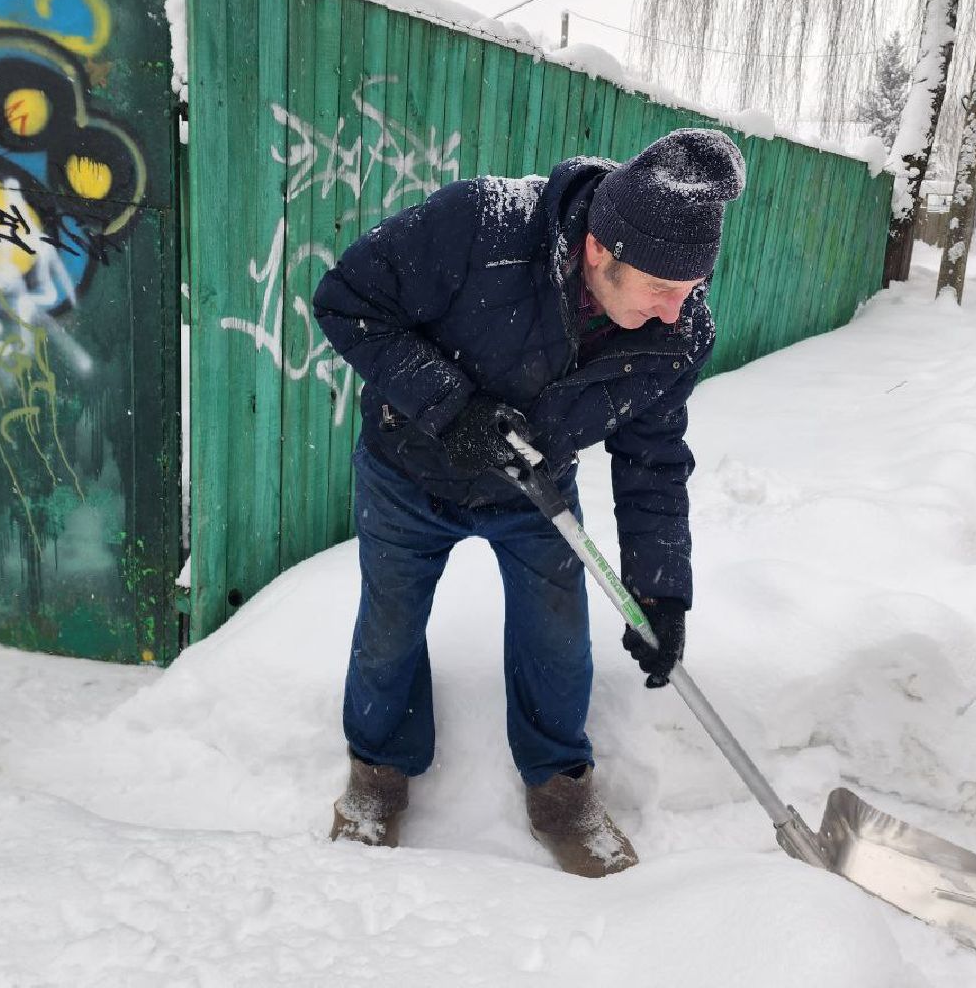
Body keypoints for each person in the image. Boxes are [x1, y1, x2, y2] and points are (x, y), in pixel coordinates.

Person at [312, 127, 746, 877]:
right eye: (663, 290)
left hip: (534, 487)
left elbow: (652, 460)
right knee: (389, 626)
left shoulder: (678, 334)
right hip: (410, 467)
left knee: (557, 638)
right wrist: (453, 409)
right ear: (600, 251)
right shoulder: (480, 226)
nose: (681, 312)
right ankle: (379, 774)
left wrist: (659, 591)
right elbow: (347, 302)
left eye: (691, 290)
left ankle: (559, 790)